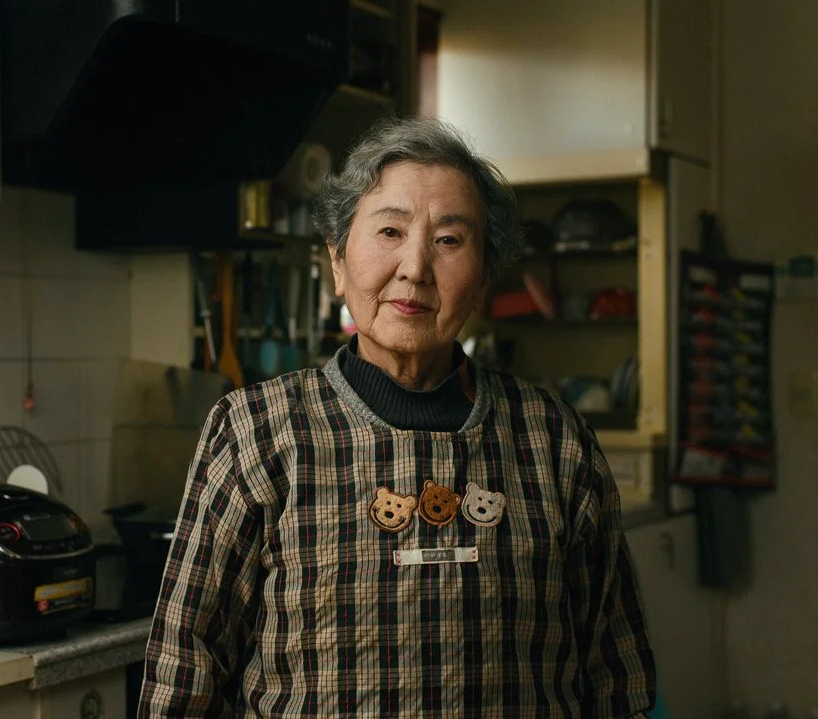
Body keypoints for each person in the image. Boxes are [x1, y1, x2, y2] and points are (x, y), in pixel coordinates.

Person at [137, 117, 657, 717]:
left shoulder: (555, 440)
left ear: (484, 276)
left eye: (449, 240)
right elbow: (183, 671)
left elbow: (619, 677)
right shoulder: (257, 431)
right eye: (390, 230)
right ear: (337, 261)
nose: (415, 266)